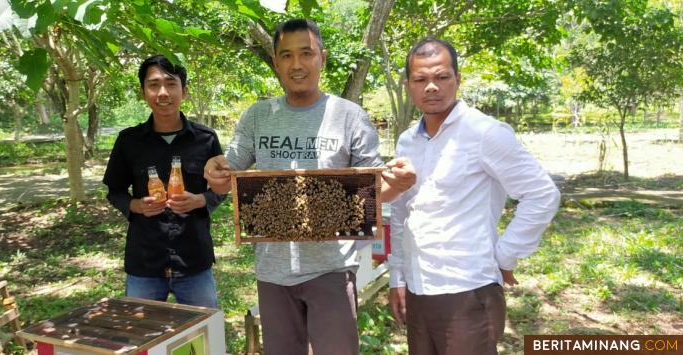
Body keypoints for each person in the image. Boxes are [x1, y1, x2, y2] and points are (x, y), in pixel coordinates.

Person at [204, 19, 416, 355]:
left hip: (331, 269)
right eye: (286, 56)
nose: (297, 64)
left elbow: (374, 190)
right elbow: (229, 174)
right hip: (273, 271)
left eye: (306, 53)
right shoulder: (258, 116)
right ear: (276, 62)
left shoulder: (350, 116)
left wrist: (396, 185)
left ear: (323, 57)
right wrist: (214, 170)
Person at [387, 37, 561, 354]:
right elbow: (401, 213)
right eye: (420, 79)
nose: (431, 87)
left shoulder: (484, 133)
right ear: (408, 85)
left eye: (441, 77)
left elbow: (542, 194)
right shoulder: (407, 142)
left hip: (467, 290)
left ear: (457, 79)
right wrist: (398, 278)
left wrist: (505, 255)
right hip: (417, 289)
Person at [102, 55, 225, 309]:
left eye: (171, 84)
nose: (162, 92)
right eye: (153, 84)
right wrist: (135, 206)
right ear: (143, 92)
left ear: (184, 91)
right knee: (142, 340)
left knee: (202, 337)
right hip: (145, 262)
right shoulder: (128, 141)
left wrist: (200, 200)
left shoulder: (206, 139)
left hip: (194, 261)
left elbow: (222, 188)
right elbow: (115, 191)